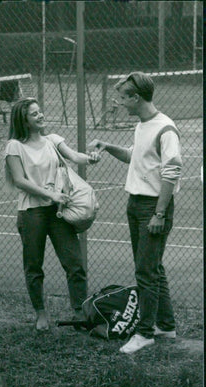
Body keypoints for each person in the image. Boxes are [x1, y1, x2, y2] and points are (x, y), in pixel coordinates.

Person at [88, 72, 182, 354]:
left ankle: (145, 333)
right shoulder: (143, 126)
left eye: (123, 98)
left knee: (145, 272)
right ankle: (165, 326)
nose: (120, 103)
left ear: (136, 97)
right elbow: (133, 155)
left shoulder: (166, 129)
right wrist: (106, 146)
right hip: (136, 204)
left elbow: (172, 171)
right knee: (153, 269)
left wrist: (159, 214)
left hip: (152, 207)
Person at [4, 97, 101, 331]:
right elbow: (19, 181)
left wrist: (91, 157)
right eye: (34, 114)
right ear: (24, 120)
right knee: (34, 266)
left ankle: (80, 313)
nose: (41, 116)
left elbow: (75, 156)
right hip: (32, 213)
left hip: (58, 212)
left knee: (75, 263)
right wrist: (50, 196)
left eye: (40, 111)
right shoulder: (15, 146)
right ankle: (41, 314)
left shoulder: (52, 140)